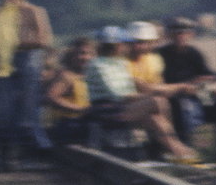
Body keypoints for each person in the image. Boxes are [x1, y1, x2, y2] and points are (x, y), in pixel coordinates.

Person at [86, 26, 200, 163]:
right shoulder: (98, 65)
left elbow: (134, 88)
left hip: (122, 106)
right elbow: (119, 95)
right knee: (157, 102)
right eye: (124, 44)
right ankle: (170, 150)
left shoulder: (119, 63)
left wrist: (155, 92)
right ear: (116, 45)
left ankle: (179, 152)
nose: (127, 47)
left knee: (155, 119)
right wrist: (149, 96)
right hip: (106, 110)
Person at [0, 0, 54, 170]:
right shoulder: (1, 14)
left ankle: (31, 154)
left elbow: (44, 40)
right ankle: (6, 156)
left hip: (29, 59)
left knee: (28, 107)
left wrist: (18, 42)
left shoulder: (34, 11)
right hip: (6, 62)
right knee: (4, 109)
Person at [159, 16, 216, 159]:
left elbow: (208, 75)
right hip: (175, 95)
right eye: (176, 33)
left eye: (184, 33)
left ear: (190, 35)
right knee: (184, 107)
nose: (180, 36)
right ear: (168, 35)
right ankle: (187, 152)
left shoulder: (193, 53)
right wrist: (189, 85)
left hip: (197, 93)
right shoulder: (162, 55)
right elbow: (162, 82)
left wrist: (208, 83)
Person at [44, 37, 95, 145]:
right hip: (68, 124)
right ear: (72, 56)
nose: (85, 57)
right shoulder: (67, 76)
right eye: (81, 53)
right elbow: (51, 97)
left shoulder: (91, 76)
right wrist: (79, 109)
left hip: (86, 122)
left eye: (88, 54)